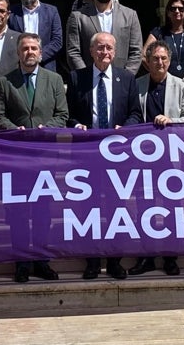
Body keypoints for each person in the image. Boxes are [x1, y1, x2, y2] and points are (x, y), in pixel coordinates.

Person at [65, 32, 142, 280]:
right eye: (100, 48)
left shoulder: (127, 79)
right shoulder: (77, 78)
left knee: (116, 208)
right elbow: (69, 115)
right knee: (88, 209)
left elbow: (135, 114)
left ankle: (114, 260)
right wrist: (76, 126)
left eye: (109, 48)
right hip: (86, 155)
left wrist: (125, 128)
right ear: (91, 51)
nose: (104, 52)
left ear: (115, 51)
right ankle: (92, 261)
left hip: (117, 156)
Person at [0, 32, 68, 283]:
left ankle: (41, 260)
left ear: (40, 52)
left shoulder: (55, 80)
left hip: (45, 157)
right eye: (25, 48)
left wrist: (45, 129)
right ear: (18, 52)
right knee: (17, 213)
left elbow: (62, 115)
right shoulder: (6, 81)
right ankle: (22, 263)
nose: (29, 52)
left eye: (34, 48)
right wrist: (15, 131)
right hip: (16, 158)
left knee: (42, 212)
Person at [130, 40, 184, 277]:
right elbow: (133, 116)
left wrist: (171, 120)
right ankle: (146, 256)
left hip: (171, 158)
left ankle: (170, 258)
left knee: (172, 209)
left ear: (170, 60)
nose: (160, 62)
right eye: (155, 58)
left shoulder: (181, 85)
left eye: (164, 58)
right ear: (147, 61)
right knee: (144, 209)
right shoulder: (137, 85)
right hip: (142, 159)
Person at [66, 0, 143, 75]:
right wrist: (86, 77)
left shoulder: (130, 15)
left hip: (121, 82)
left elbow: (136, 52)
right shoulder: (78, 17)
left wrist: (125, 78)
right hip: (89, 84)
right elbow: (73, 52)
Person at [8, 0, 63, 72]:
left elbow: (57, 41)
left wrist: (38, 56)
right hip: (18, 68)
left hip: (45, 66)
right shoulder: (11, 13)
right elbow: (8, 40)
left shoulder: (51, 12)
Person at [142, 0, 184, 78]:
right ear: (168, 12)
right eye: (173, 9)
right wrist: (157, 73)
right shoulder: (158, 33)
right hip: (163, 83)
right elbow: (143, 56)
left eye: (181, 9)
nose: (177, 11)